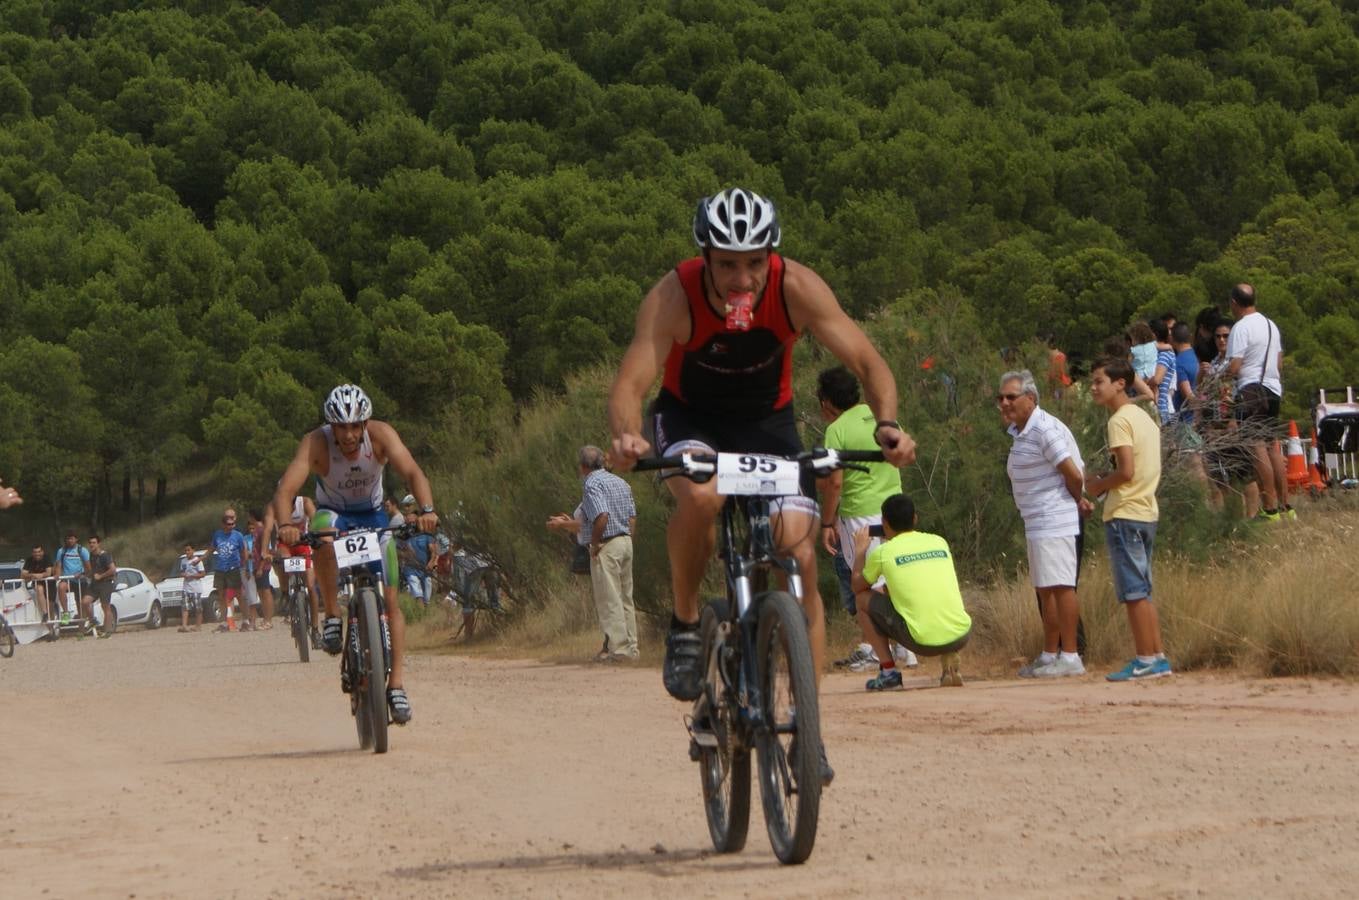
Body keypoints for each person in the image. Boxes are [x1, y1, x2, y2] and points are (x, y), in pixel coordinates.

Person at [606, 187, 916, 721]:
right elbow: (632, 381)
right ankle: (684, 625)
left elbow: (867, 362)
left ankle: (807, 721)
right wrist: (628, 435)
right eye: (726, 264)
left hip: (766, 425)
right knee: (702, 499)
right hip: (690, 418)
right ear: (704, 256)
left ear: (771, 255)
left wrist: (888, 423)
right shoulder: (674, 295)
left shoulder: (795, 286)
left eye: (755, 263)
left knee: (798, 554)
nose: (742, 279)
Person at [272, 383, 439, 726]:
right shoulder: (316, 443)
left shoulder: (380, 436)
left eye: (354, 426)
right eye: (340, 427)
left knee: (391, 602)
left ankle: (396, 687)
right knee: (321, 528)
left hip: (374, 516)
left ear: (364, 424)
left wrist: (427, 510)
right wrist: (286, 523)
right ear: (330, 427)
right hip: (335, 514)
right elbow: (287, 487)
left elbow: (412, 472)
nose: (347, 436)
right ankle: (333, 614)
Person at [815, 365, 916, 672]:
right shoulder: (882, 418)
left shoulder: (836, 429)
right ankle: (906, 649)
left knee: (867, 582)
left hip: (860, 512)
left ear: (826, 401)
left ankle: (879, 649)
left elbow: (834, 482)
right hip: (893, 508)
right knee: (896, 577)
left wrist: (827, 522)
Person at [1084, 358, 1172, 681]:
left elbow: (1126, 471)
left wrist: (1096, 485)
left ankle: (1145, 658)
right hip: (1146, 510)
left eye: (1098, 382)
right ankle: (1157, 655)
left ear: (1120, 383)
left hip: (1125, 513)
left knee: (1133, 591)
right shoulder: (1145, 418)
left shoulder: (1119, 421)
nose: (1093, 388)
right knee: (1143, 589)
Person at [997, 370, 1088, 678]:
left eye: (1011, 397)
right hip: (1036, 519)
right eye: (1001, 398)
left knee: (1062, 586)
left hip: (1054, 516)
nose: (1004, 403)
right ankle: (1050, 654)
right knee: (1045, 588)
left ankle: (1071, 655)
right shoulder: (1021, 431)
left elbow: (1073, 473)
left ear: (1031, 398)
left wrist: (1076, 499)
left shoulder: (1044, 429)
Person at [849, 494, 972, 689]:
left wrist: (860, 552)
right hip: (962, 634)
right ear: (915, 518)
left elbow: (857, 587)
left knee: (862, 600)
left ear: (884, 523)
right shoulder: (939, 542)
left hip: (921, 642)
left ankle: (888, 672)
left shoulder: (884, 552)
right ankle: (949, 655)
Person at [1225, 283, 1290, 521]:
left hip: (1252, 390)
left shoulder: (1241, 328)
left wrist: (1217, 378)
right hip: (1273, 388)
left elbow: (1234, 367)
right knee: (1272, 445)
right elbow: (1279, 362)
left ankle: (1270, 508)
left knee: (1256, 447)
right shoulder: (1270, 325)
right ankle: (1285, 505)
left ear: (1234, 302)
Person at [209, 507, 250, 632]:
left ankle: (245, 621)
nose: (231, 526)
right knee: (222, 596)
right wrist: (201, 558)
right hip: (221, 569)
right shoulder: (217, 534)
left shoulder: (238, 535)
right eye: (228, 524)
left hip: (234, 568)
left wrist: (245, 566)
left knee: (239, 595)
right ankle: (224, 622)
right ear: (223, 523)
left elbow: (244, 552)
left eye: (233, 523)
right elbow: (212, 548)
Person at [80, 535, 117, 638]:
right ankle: (93, 621)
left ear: (98, 544)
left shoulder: (104, 555)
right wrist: (83, 574)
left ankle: (107, 630)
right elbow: (92, 570)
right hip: (95, 583)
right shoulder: (91, 555)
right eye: (90, 543)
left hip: (106, 583)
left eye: (94, 542)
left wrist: (101, 576)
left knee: (105, 607)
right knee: (85, 602)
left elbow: (113, 569)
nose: (91, 545)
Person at [52, 531, 89, 625]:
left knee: (80, 604)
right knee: (61, 587)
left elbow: (88, 566)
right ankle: (65, 612)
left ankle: (81, 629)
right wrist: (57, 574)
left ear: (76, 539)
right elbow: (59, 565)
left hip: (80, 580)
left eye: (72, 538)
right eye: (68, 538)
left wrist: (82, 573)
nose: (70, 540)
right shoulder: (62, 551)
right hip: (67, 579)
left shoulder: (82, 550)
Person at [247, 509, 275, 629]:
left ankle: (268, 620)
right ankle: (265, 619)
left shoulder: (262, 530)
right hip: (255, 564)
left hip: (262, 565)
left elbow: (265, 550)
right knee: (261, 593)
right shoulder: (256, 531)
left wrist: (260, 567)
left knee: (266, 591)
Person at [1147, 318, 1177, 426]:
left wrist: (1142, 382)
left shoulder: (1165, 354)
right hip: (1157, 411)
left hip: (1163, 411)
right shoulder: (1158, 352)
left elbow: (1157, 379)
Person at [21, 544, 54, 622]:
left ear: (42, 552)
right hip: (38, 583)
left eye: (39, 552)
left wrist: (41, 575)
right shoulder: (29, 560)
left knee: (50, 607)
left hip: (50, 584)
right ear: (32, 553)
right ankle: (45, 613)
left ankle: (53, 629)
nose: (37, 554)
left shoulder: (46, 558)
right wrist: (33, 575)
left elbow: (48, 573)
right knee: (39, 589)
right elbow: (23, 574)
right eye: (35, 552)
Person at [178, 542, 206, 632]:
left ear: (193, 550)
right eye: (186, 550)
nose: (187, 552)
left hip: (196, 588)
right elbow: (181, 571)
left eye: (189, 550)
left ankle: (198, 626)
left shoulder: (197, 561)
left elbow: (203, 574)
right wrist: (184, 575)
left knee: (198, 608)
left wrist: (192, 576)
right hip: (186, 587)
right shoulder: (183, 561)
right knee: (185, 607)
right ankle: (184, 625)